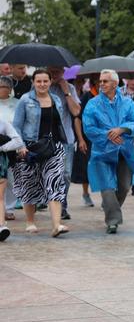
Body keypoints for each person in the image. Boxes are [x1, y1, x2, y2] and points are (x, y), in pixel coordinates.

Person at [83, 70, 134, 234]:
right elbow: (88, 128)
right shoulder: (93, 104)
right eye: (100, 81)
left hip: (124, 150)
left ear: (115, 84)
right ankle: (113, 220)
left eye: (105, 81)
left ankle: (110, 205)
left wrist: (122, 129)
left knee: (124, 186)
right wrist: (109, 135)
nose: (101, 84)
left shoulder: (127, 103)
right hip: (102, 151)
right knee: (107, 186)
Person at [12, 69, 69, 237]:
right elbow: (16, 126)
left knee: (55, 182)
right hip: (30, 148)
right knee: (30, 183)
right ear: (33, 82)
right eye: (39, 81)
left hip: (54, 147)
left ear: (50, 82)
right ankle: (30, 221)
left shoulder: (56, 99)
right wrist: (21, 146)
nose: (42, 84)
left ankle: (57, 224)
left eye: (45, 81)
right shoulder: (25, 100)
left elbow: (59, 123)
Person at [46, 66, 82, 221]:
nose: (55, 74)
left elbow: (76, 112)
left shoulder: (70, 88)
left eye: (58, 71)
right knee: (49, 174)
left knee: (66, 174)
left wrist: (66, 91)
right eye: (52, 70)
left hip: (66, 137)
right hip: (46, 139)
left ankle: (62, 204)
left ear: (63, 72)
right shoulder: (41, 86)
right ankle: (54, 205)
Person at [72, 78, 98, 207]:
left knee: (105, 168)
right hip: (88, 138)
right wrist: (80, 139)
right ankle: (85, 193)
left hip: (105, 139)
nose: (103, 84)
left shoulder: (114, 98)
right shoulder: (87, 97)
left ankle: (106, 196)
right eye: (101, 81)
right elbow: (78, 119)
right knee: (85, 167)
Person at [0, 76, 19, 220]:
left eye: (4, 87)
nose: (1, 89)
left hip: (13, 144)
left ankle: (9, 207)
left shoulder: (17, 103)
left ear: (10, 89)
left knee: (11, 177)